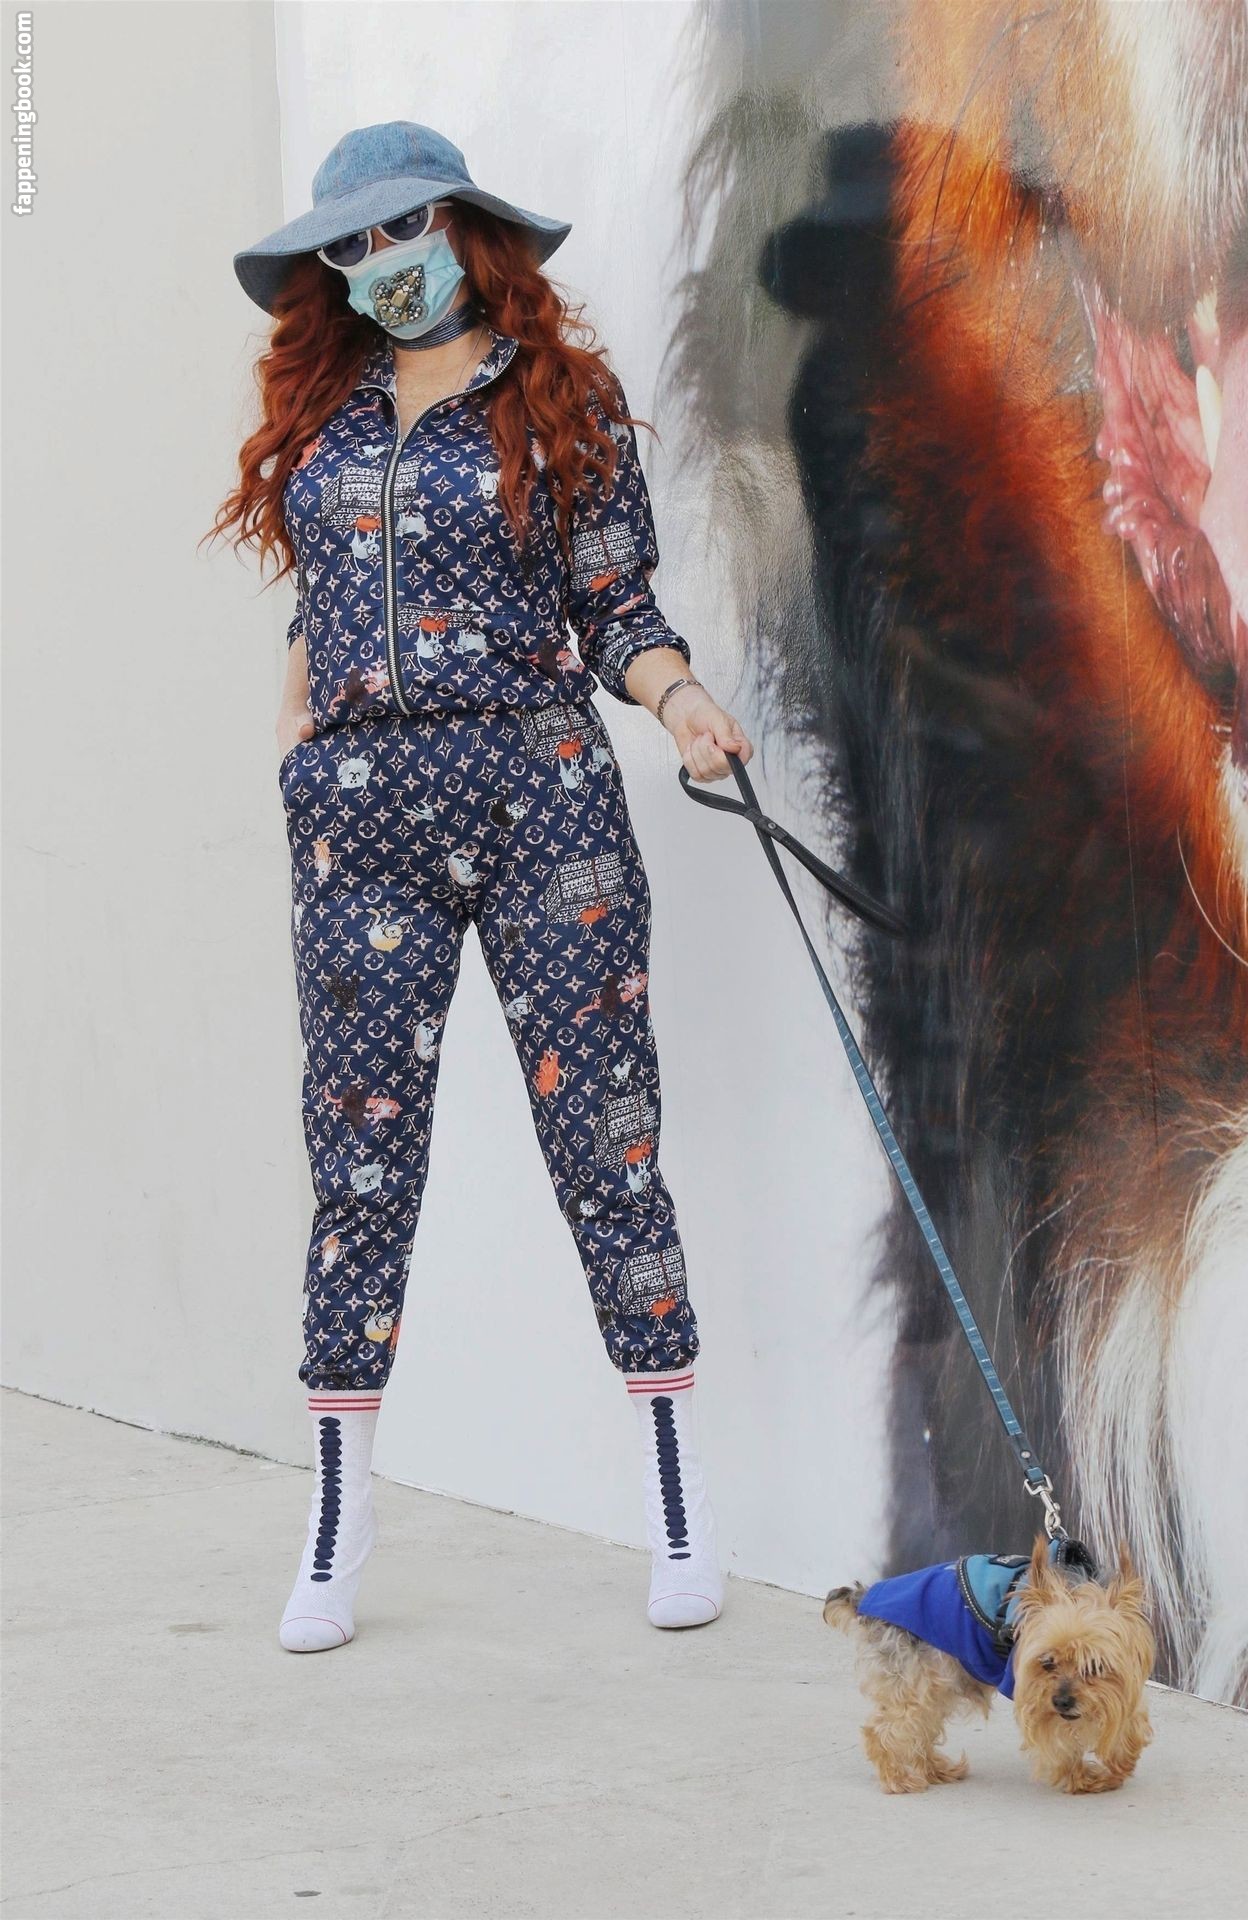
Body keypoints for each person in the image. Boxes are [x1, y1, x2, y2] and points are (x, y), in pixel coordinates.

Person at [211, 121, 754, 1652]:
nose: (381, 263)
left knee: (606, 1138)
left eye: (403, 229)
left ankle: (677, 1500)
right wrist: (298, 729)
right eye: (351, 246)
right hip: (360, 824)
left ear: (463, 228)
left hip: (538, 794)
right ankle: (339, 1520)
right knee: (359, 1157)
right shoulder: (326, 418)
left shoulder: (558, 398)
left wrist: (680, 702)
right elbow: (322, 598)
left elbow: (616, 603)